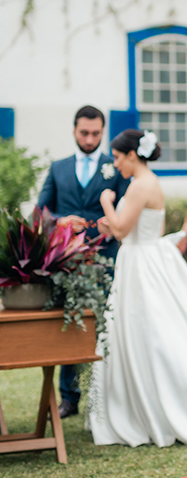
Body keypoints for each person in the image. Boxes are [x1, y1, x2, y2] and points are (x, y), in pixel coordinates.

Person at [87, 128, 187, 447]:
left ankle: (165, 402)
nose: (115, 164)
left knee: (151, 331)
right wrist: (110, 223)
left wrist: (106, 203)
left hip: (141, 262)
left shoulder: (141, 185)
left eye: (116, 158)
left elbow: (124, 230)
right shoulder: (143, 182)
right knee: (140, 330)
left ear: (130, 155)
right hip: (142, 258)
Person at [37, 105, 130, 419]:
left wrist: (112, 221)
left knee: (106, 327)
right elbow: (41, 212)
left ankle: (106, 399)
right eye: (84, 133)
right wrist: (61, 222)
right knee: (72, 326)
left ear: (103, 132)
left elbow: (129, 207)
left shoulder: (115, 166)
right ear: (74, 130)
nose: (90, 139)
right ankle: (69, 397)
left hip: (106, 259)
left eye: (96, 133)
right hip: (68, 262)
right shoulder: (58, 167)